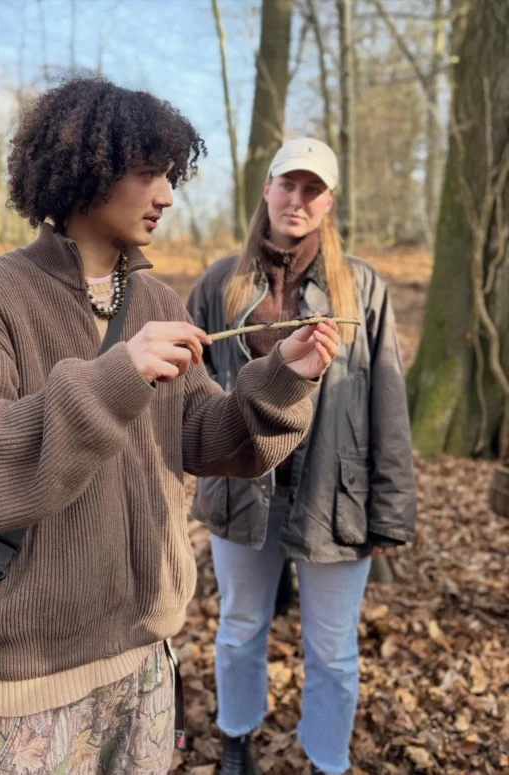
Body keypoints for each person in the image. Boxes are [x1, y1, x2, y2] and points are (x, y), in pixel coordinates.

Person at [0, 80, 341, 775]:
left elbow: (207, 437)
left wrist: (284, 376)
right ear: (84, 170)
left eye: (170, 175)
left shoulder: (158, 301)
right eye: (147, 173)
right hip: (33, 684)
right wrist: (114, 379)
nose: (166, 195)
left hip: (146, 663)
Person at [187, 137, 416, 775]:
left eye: (312, 189)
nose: (297, 199)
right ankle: (237, 739)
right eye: (287, 184)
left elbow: (387, 400)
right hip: (241, 488)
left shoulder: (360, 287)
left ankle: (326, 759)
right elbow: (189, 393)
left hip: (335, 497)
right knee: (239, 628)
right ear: (267, 189)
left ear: (329, 202)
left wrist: (390, 514)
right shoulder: (220, 284)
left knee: (334, 651)